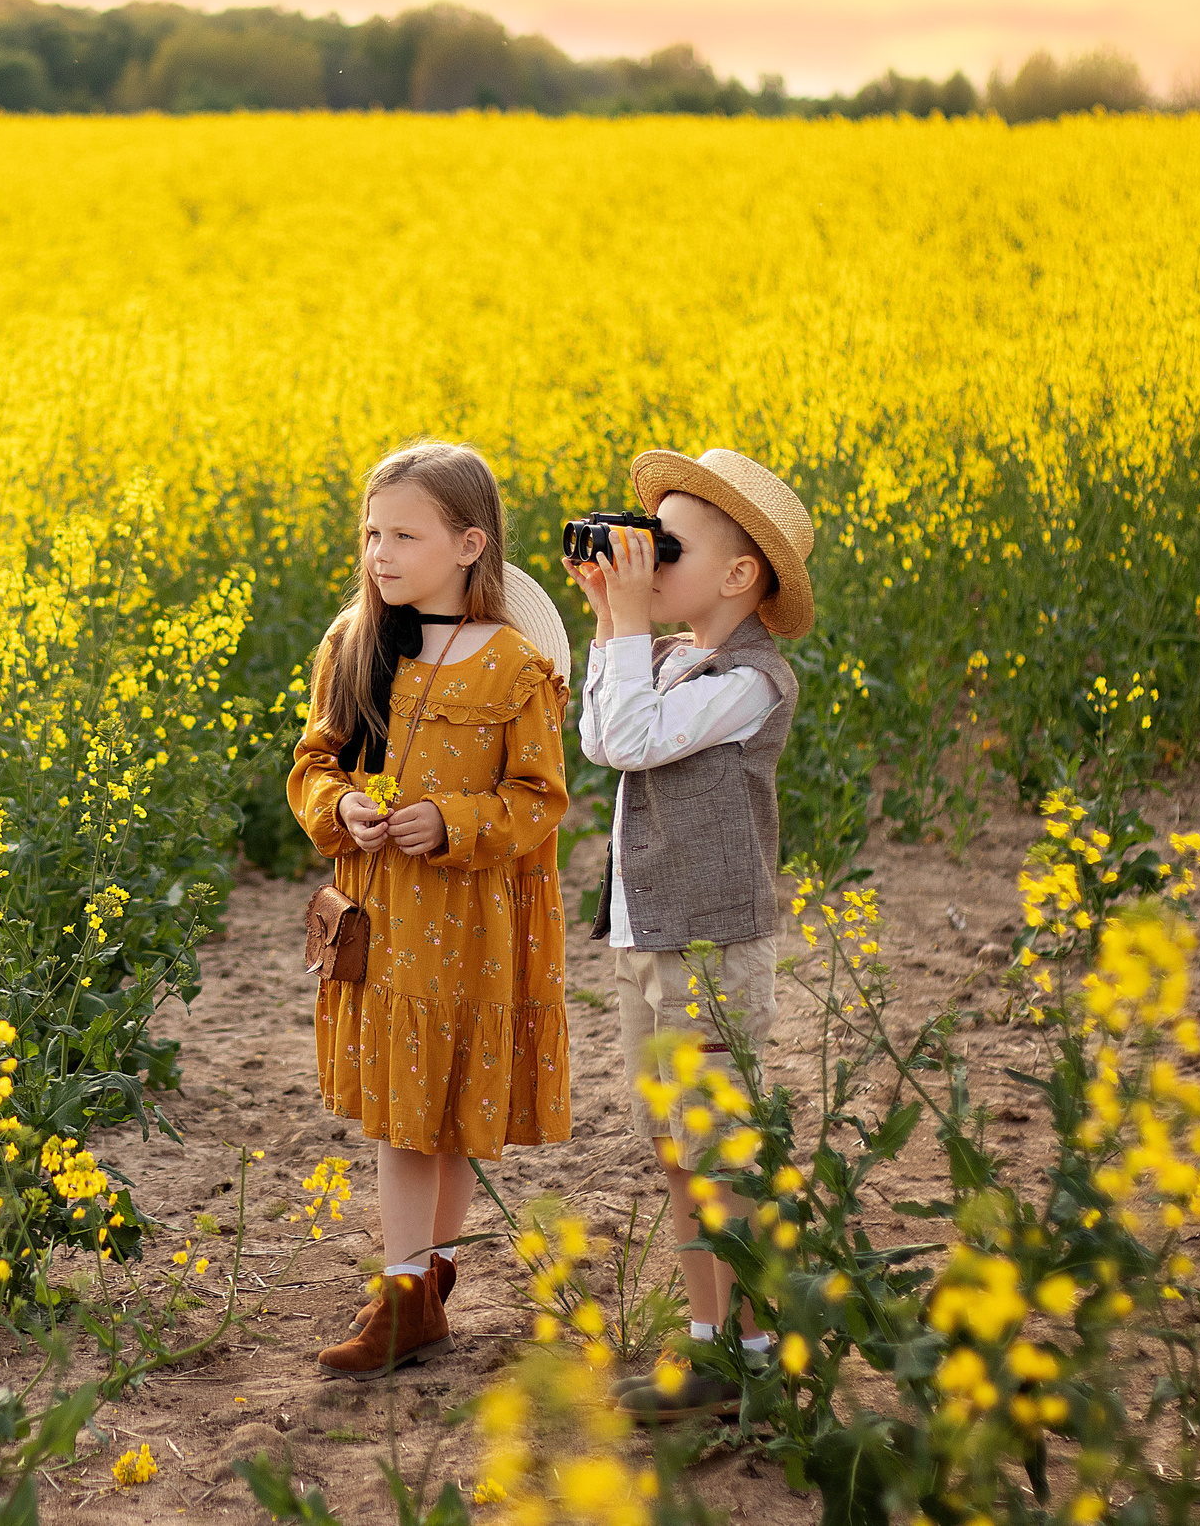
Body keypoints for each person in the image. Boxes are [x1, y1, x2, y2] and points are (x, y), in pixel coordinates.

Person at [288, 440, 572, 1381]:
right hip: (384, 925)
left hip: (473, 930)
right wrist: (343, 807)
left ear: (469, 544)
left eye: (404, 536)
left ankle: (425, 1284)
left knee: (449, 1110)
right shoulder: (354, 643)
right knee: (404, 1116)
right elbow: (314, 763)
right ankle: (409, 1290)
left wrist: (452, 821)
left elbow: (539, 800)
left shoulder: (516, 669)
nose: (380, 553)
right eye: (372, 533)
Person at [565, 446, 815, 1423]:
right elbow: (600, 738)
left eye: (666, 547)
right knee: (678, 1149)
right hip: (650, 937)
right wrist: (609, 617)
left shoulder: (754, 680)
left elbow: (632, 738)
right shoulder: (667, 656)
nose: (647, 559)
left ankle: (759, 1349)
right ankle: (712, 1343)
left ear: (740, 574)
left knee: (717, 1150)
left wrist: (627, 621)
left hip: (709, 947)